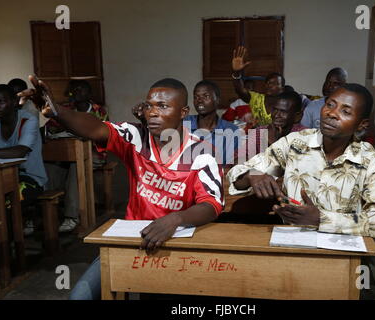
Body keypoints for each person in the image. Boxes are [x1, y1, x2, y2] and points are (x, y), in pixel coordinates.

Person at [19, 76, 224, 299]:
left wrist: (174, 219)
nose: (153, 113)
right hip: (131, 238)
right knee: (79, 296)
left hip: (174, 239)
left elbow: (211, 204)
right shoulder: (136, 137)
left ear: (183, 113)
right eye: (149, 105)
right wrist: (57, 111)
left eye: (163, 106)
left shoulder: (201, 151)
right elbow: (96, 128)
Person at [228, 84, 375, 239]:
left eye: (345, 111)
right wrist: (252, 174)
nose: (332, 113)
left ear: (361, 125)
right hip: (291, 241)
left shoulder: (370, 161)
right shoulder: (295, 143)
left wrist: (321, 219)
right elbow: (237, 172)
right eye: (330, 105)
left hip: (341, 251)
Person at [44, 80, 109, 232]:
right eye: (75, 90)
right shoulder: (66, 109)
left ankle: (71, 216)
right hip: (68, 151)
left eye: (82, 90)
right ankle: (48, 211)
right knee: (52, 167)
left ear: (89, 94)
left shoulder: (98, 111)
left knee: (76, 167)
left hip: (94, 153)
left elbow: (104, 136)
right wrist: (57, 131)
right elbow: (49, 128)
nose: (77, 92)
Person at [0, 84, 47, 235]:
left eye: (1, 101)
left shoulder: (28, 121)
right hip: (0, 178)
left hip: (30, 179)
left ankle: (6, 249)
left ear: (14, 102)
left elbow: (20, 151)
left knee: (4, 205)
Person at [184, 80, 243, 167]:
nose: (199, 100)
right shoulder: (184, 123)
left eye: (206, 96)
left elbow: (231, 166)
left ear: (217, 100)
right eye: (196, 97)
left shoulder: (231, 131)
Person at [237, 90, 306, 164]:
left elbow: (296, 167)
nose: (276, 115)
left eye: (283, 112)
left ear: (297, 116)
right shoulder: (259, 133)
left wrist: (279, 142)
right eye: (274, 110)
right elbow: (239, 159)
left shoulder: (304, 136)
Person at [232, 46, 285, 127]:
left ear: (282, 88)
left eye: (275, 83)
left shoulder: (286, 103)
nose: (270, 85)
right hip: (257, 135)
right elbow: (240, 90)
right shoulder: (256, 99)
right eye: (268, 83)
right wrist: (236, 72)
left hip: (279, 137)